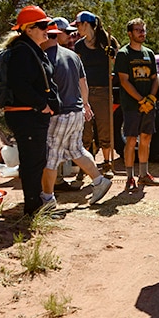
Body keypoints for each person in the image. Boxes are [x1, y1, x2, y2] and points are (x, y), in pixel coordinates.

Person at [40, 18, 113, 207]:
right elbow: (83, 82)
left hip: (60, 114)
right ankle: (99, 181)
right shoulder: (72, 56)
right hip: (76, 112)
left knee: (50, 157)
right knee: (76, 150)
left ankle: (47, 198)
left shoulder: (45, 58)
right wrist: (85, 104)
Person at [2, 6, 60, 216]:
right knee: (32, 162)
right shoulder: (23, 52)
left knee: (36, 160)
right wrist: (42, 105)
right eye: (43, 25)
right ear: (29, 29)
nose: (48, 29)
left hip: (31, 115)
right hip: (26, 115)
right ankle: (32, 208)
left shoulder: (29, 49)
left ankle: (34, 206)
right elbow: (21, 85)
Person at [114, 18, 159, 190]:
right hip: (131, 106)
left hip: (148, 104)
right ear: (130, 33)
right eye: (138, 30)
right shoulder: (124, 54)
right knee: (131, 139)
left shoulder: (149, 53)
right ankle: (129, 177)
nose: (142, 33)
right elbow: (124, 81)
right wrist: (141, 100)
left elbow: (155, 78)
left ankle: (143, 174)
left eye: (143, 30)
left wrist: (150, 98)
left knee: (146, 138)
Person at [73, 10, 121, 176]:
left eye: (78, 25)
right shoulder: (79, 45)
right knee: (85, 130)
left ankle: (107, 163)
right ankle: (85, 165)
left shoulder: (107, 41)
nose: (77, 28)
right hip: (84, 93)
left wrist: (112, 54)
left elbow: (118, 63)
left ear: (87, 24)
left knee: (105, 126)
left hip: (103, 91)